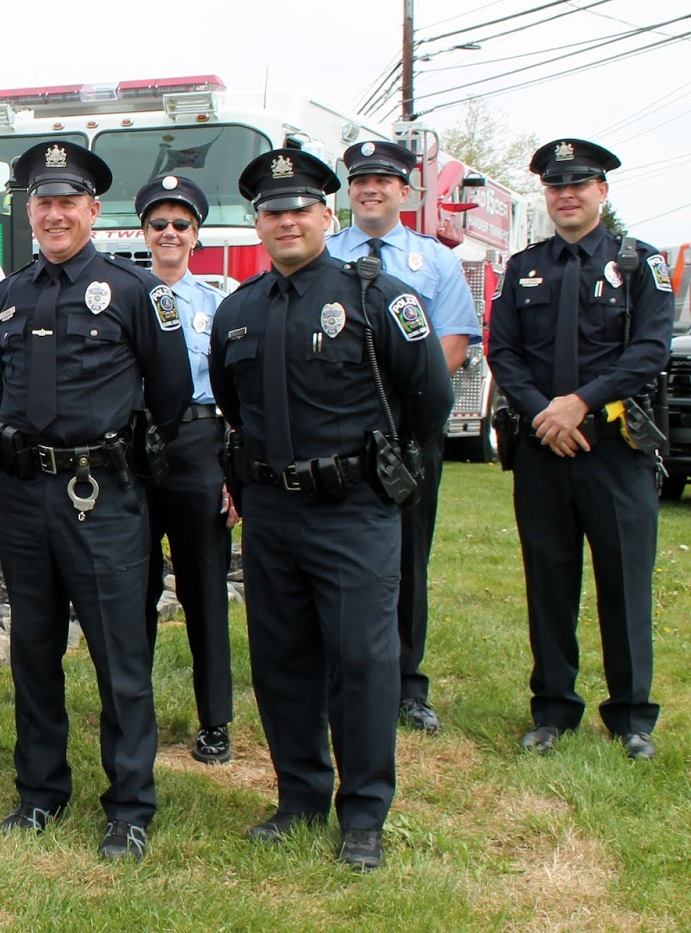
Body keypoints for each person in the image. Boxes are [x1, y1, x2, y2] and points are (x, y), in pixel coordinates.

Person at [212, 148, 452, 871]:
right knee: (282, 660)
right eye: (271, 211)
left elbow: (430, 399)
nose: (285, 221)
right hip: (272, 514)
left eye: (299, 208)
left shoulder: (383, 296)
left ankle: (365, 812)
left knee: (363, 661)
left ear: (328, 214)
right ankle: (300, 796)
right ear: (258, 222)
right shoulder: (238, 310)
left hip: (354, 510)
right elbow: (232, 402)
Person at [0, 141, 190, 861]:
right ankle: (41, 792)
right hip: (28, 499)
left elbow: (168, 395)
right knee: (32, 650)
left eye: (69, 200)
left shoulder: (136, 294)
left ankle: (129, 804)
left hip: (103, 495)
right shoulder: (7, 296)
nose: (56, 212)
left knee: (119, 658)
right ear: (30, 211)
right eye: (44, 201)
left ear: (94, 210)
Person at [486, 139, 671, 761]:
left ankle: (631, 715)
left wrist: (580, 403)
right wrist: (546, 412)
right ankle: (554, 708)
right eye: (556, 186)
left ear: (603, 192)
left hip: (615, 448)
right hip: (543, 449)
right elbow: (503, 352)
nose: (567, 195)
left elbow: (649, 350)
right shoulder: (523, 267)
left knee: (624, 582)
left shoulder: (640, 263)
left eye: (579, 184)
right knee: (549, 579)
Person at [327, 140, 479, 737]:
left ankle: (407, 685)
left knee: (407, 558)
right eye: (361, 178)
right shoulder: (322, 253)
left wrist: (398, 416)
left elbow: (452, 348)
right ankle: (335, 678)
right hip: (334, 437)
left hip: (408, 438)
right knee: (332, 559)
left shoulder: (433, 263)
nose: (371, 188)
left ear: (406, 190)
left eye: (384, 180)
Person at [133, 173, 234, 764]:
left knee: (204, 590)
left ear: (196, 235)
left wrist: (234, 473)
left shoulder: (219, 304)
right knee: (131, 590)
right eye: (159, 225)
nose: (169, 233)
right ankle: (133, 709)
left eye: (181, 225)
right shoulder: (124, 293)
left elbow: (237, 392)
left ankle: (214, 720)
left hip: (198, 447)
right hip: (136, 450)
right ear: (143, 232)